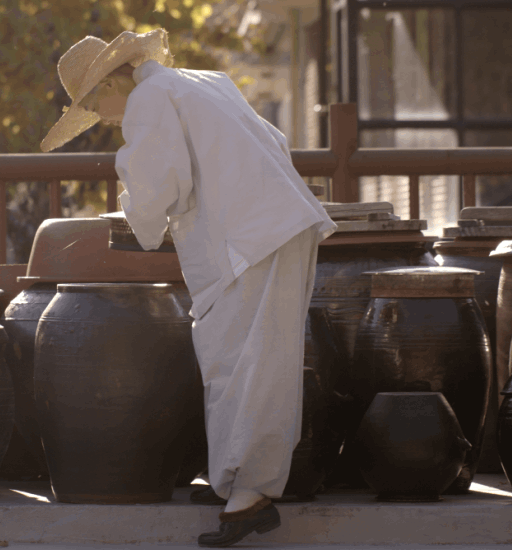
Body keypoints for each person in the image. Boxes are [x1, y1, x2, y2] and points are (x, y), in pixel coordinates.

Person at [41, 29, 336, 548]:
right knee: (235, 352)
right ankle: (235, 480)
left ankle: (251, 497)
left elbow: (158, 184)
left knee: (249, 359)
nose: (102, 117)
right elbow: (274, 142)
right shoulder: (202, 82)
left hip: (254, 234)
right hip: (270, 226)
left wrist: (135, 209)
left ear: (115, 78)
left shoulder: (150, 100)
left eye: (94, 102)